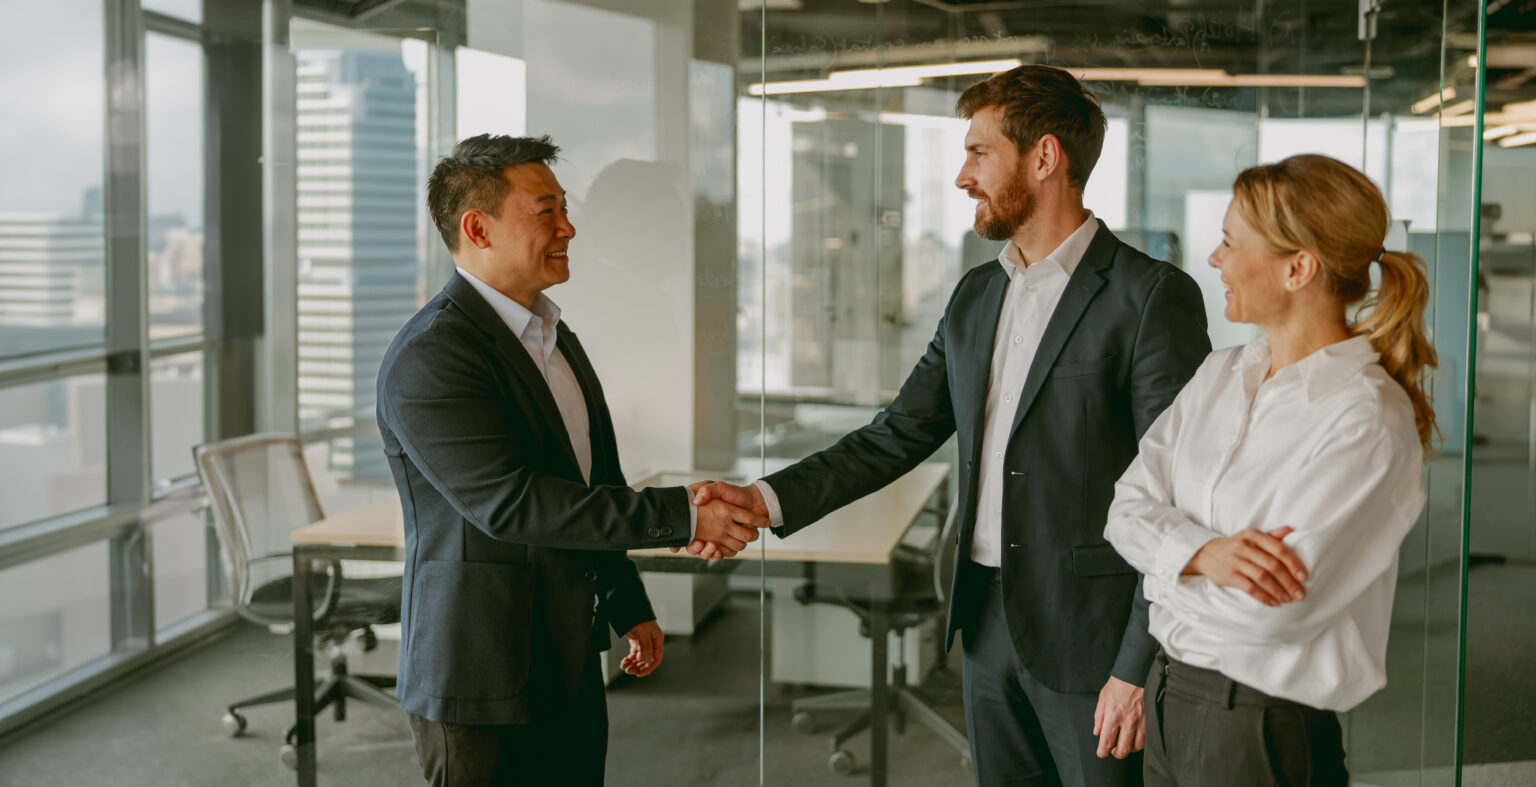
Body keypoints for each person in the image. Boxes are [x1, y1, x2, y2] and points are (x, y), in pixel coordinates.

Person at [692, 65, 1211, 787]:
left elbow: (1182, 493)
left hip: (1092, 637)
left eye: (978, 153)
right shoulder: (976, 295)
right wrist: (766, 499)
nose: (962, 176)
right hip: (986, 621)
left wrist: (1138, 661)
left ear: (1044, 158)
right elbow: (896, 432)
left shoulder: (1151, 298)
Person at [375, 134, 766, 786]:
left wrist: (626, 599)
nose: (569, 227)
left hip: (568, 657)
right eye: (546, 210)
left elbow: (593, 481)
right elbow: (513, 502)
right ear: (478, 228)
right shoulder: (433, 354)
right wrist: (685, 516)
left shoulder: (554, 337)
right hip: (482, 675)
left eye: (564, 208)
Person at [1102, 153, 1437, 786]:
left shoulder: (1365, 418)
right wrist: (1206, 556)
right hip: (1171, 699)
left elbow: (1273, 613)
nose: (1214, 259)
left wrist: (1164, 563)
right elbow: (1123, 512)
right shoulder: (1221, 375)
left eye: (1230, 242)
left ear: (1298, 267)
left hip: (1258, 727)